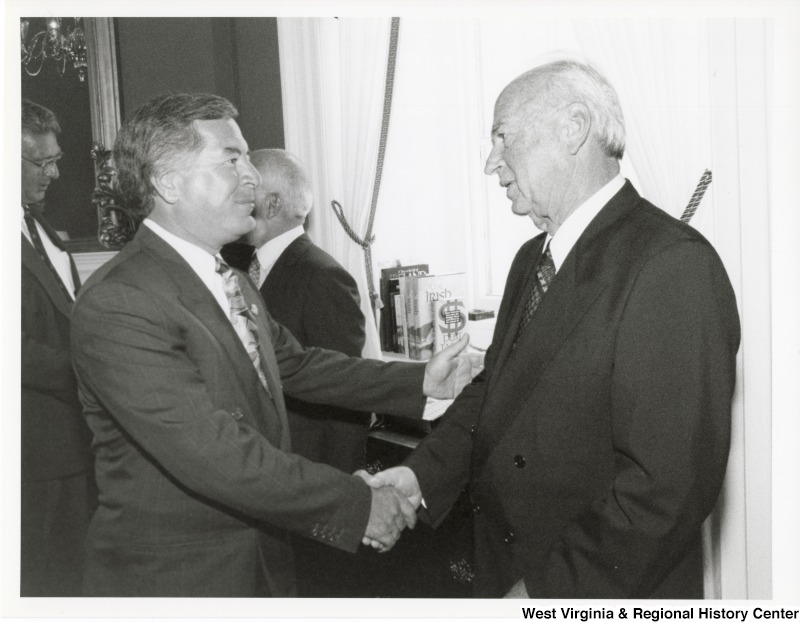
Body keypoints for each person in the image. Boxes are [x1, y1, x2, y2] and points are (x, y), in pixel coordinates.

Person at [364, 58, 741, 598]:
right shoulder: (530, 259)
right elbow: (495, 396)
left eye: (502, 136)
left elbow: (667, 489)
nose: (491, 162)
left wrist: (549, 592)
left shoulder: (670, 265)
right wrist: (422, 475)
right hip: (506, 567)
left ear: (573, 128)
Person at [70, 92, 470, 597]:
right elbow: (216, 456)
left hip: (264, 564)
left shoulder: (232, 279)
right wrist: (358, 504)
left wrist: (422, 380)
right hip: (178, 582)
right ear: (167, 181)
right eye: (231, 159)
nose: (253, 177)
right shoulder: (120, 301)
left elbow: (300, 366)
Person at [20, 99, 95, 596]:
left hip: (73, 450)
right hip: (29, 459)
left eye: (56, 160)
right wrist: (89, 373)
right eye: (41, 163)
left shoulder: (42, 228)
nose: (54, 173)